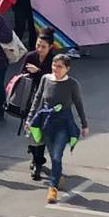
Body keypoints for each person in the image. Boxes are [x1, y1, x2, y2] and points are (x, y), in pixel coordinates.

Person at [26, 54, 88, 204]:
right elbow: (38, 98)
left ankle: (52, 188)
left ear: (67, 68)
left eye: (59, 66)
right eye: (54, 65)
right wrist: (30, 118)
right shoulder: (45, 79)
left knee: (56, 155)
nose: (55, 69)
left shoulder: (72, 84)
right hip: (47, 122)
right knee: (52, 151)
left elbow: (79, 104)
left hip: (63, 124)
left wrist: (84, 124)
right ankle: (57, 174)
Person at [18, 28, 55, 180]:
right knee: (32, 132)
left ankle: (37, 162)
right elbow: (21, 76)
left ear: (50, 47)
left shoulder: (54, 60)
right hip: (30, 99)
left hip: (47, 100)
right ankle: (35, 155)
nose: (39, 49)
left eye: (43, 46)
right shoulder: (30, 56)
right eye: (38, 45)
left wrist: (38, 71)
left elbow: (54, 79)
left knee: (42, 132)